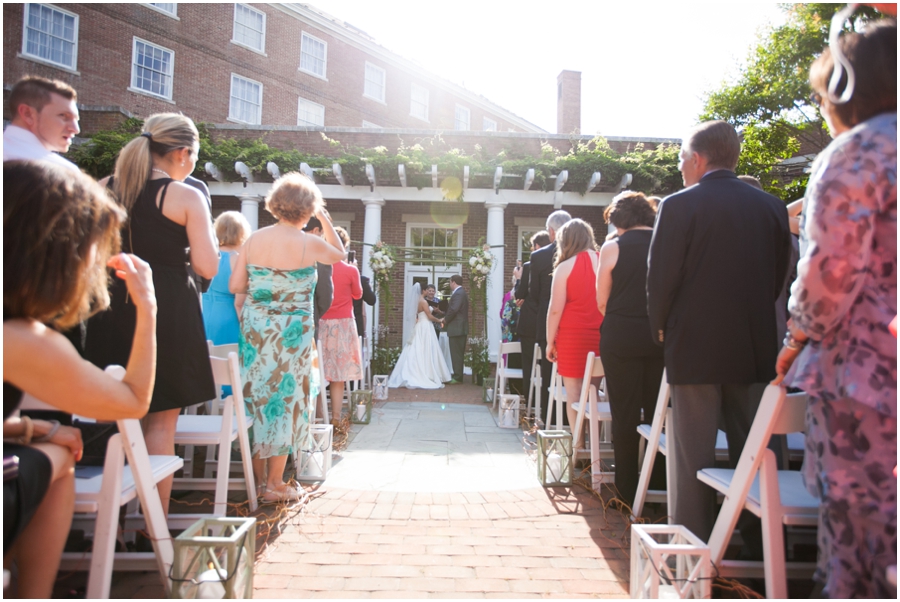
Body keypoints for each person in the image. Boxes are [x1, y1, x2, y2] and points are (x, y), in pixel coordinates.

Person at [773, 21, 896, 598]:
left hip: (868, 379)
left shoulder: (857, 154)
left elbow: (829, 276)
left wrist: (796, 339)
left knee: (862, 543)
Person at [4, 161, 156, 598]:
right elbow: (130, 401)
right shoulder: (18, 338)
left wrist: (32, 426)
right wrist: (148, 309)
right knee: (60, 457)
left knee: (54, 441)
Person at [647, 120, 792, 544]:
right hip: (754, 346)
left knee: (692, 455)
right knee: (757, 450)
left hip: (693, 347)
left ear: (696, 159)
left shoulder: (677, 205)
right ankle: (756, 541)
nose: (679, 169)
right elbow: (778, 278)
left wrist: (660, 331)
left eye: (680, 160)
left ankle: (692, 548)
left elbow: (662, 281)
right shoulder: (772, 207)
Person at [84, 113, 220, 516]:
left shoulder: (103, 189)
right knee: (161, 424)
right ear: (182, 153)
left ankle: (112, 523)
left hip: (110, 307)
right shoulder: (184, 195)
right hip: (168, 311)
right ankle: (151, 526)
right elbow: (209, 267)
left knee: (114, 418)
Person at [230, 173, 344, 502]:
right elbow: (338, 252)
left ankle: (258, 482)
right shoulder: (309, 242)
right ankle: (275, 485)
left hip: (256, 332)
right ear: (308, 208)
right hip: (292, 337)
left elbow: (236, 286)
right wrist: (323, 216)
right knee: (283, 402)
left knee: (257, 399)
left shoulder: (253, 240)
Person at [595, 191, 665, 505]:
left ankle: (626, 491)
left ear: (619, 219)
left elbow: (601, 301)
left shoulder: (613, 247)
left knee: (624, 414)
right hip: (659, 336)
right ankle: (660, 485)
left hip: (621, 334)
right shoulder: (667, 242)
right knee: (658, 413)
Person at [545, 219, 603, 434]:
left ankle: (578, 445)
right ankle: (594, 446)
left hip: (571, 338)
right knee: (593, 394)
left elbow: (555, 310)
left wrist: (550, 342)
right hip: (601, 335)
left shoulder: (564, 267)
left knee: (574, 394)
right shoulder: (604, 262)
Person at [319, 226, 364, 424]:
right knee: (338, 377)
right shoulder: (350, 270)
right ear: (344, 246)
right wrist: (353, 268)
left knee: (319, 374)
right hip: (344, 324)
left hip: (321, 323)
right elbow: (358, 295)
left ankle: (320, 417)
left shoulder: (317, 267)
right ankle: (336, 420)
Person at [530, 211, 571, 425]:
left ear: (551, 231)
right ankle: (569, 421)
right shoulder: (584, 254)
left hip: (547, 322)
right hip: (573, 322)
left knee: (549, 375)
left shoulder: (538, 256)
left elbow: (534, 294)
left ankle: (548, 420)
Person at [3, 76, 79, 171]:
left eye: (76, 120)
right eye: (63, 116)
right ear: (28, 114)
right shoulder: (62, 172)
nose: (76, 129)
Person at [388, 283, 451, 389]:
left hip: (420, 326)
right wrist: (439, 320)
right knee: (427, 349)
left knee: (417, 348)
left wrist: (435, 311)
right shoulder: (423, 301)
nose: (428, 292)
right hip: (425, 326)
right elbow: (429, 316)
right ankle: (428, 372)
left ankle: (421, 370)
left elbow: (419, 314)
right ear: (423, 291)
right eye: (427, 290)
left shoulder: (417, 301)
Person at [516, 231, 550, 417]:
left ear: (537, 246)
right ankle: (546, 407)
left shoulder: (529, 266)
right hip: (546, 321)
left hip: (530, 321)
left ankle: (529, 404)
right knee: (547, 366)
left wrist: (518, 281)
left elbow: (520, 294)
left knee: (528, 364)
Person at [202, 211, 251, 346]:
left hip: (203, 315)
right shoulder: (238, 259)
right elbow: (240, 303)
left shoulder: (207, 254)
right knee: (228, 362)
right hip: (228, 318)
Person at [303, 216, 334, 341]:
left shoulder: (281, 247)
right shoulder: (321, 257)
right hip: (305, 320)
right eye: (322, 234)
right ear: (316, 231)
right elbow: (325, 297)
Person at [441, 275, 469, 384]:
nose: (449, 284)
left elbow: (454, 309)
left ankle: (457, 377)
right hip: (459, 328)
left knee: (456, 353)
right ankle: (458, 375)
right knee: (458, 353)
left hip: (457, 328)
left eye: (449, 282)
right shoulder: (460, 293)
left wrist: (446, 320)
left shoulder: (459, 293)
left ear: (453, 282)